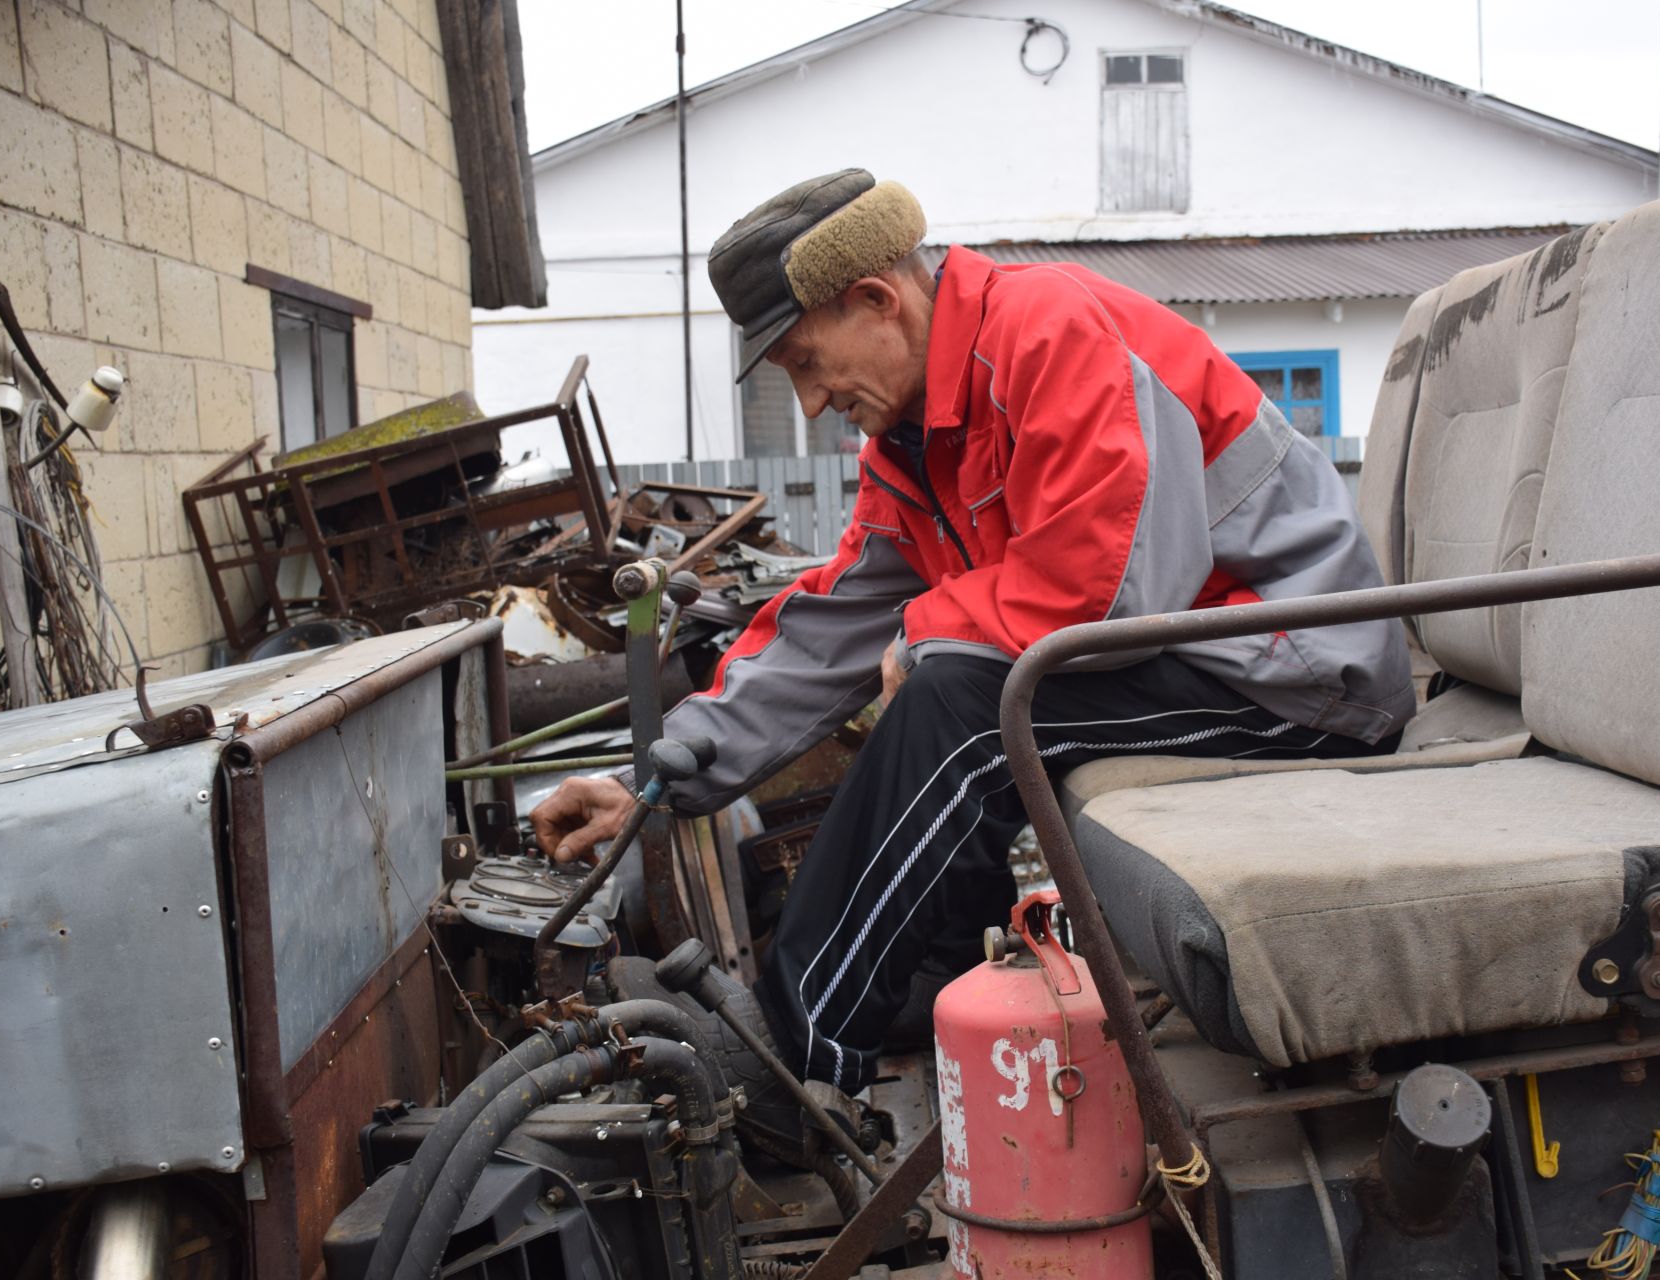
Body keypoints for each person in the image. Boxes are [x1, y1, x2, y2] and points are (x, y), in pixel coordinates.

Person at [531, 168, 1413, 1109]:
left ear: (878, 300)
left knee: (962, 701)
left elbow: (1108, 591)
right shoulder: (916, 441)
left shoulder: (1050, 333)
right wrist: (654, 780)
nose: (814, 403)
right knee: (954, 678)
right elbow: (830, 624)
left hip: (1299, 677)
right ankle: (944, 976)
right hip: (1197, 665)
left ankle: (795, 1071)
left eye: (803, 361)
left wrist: (927, 628)